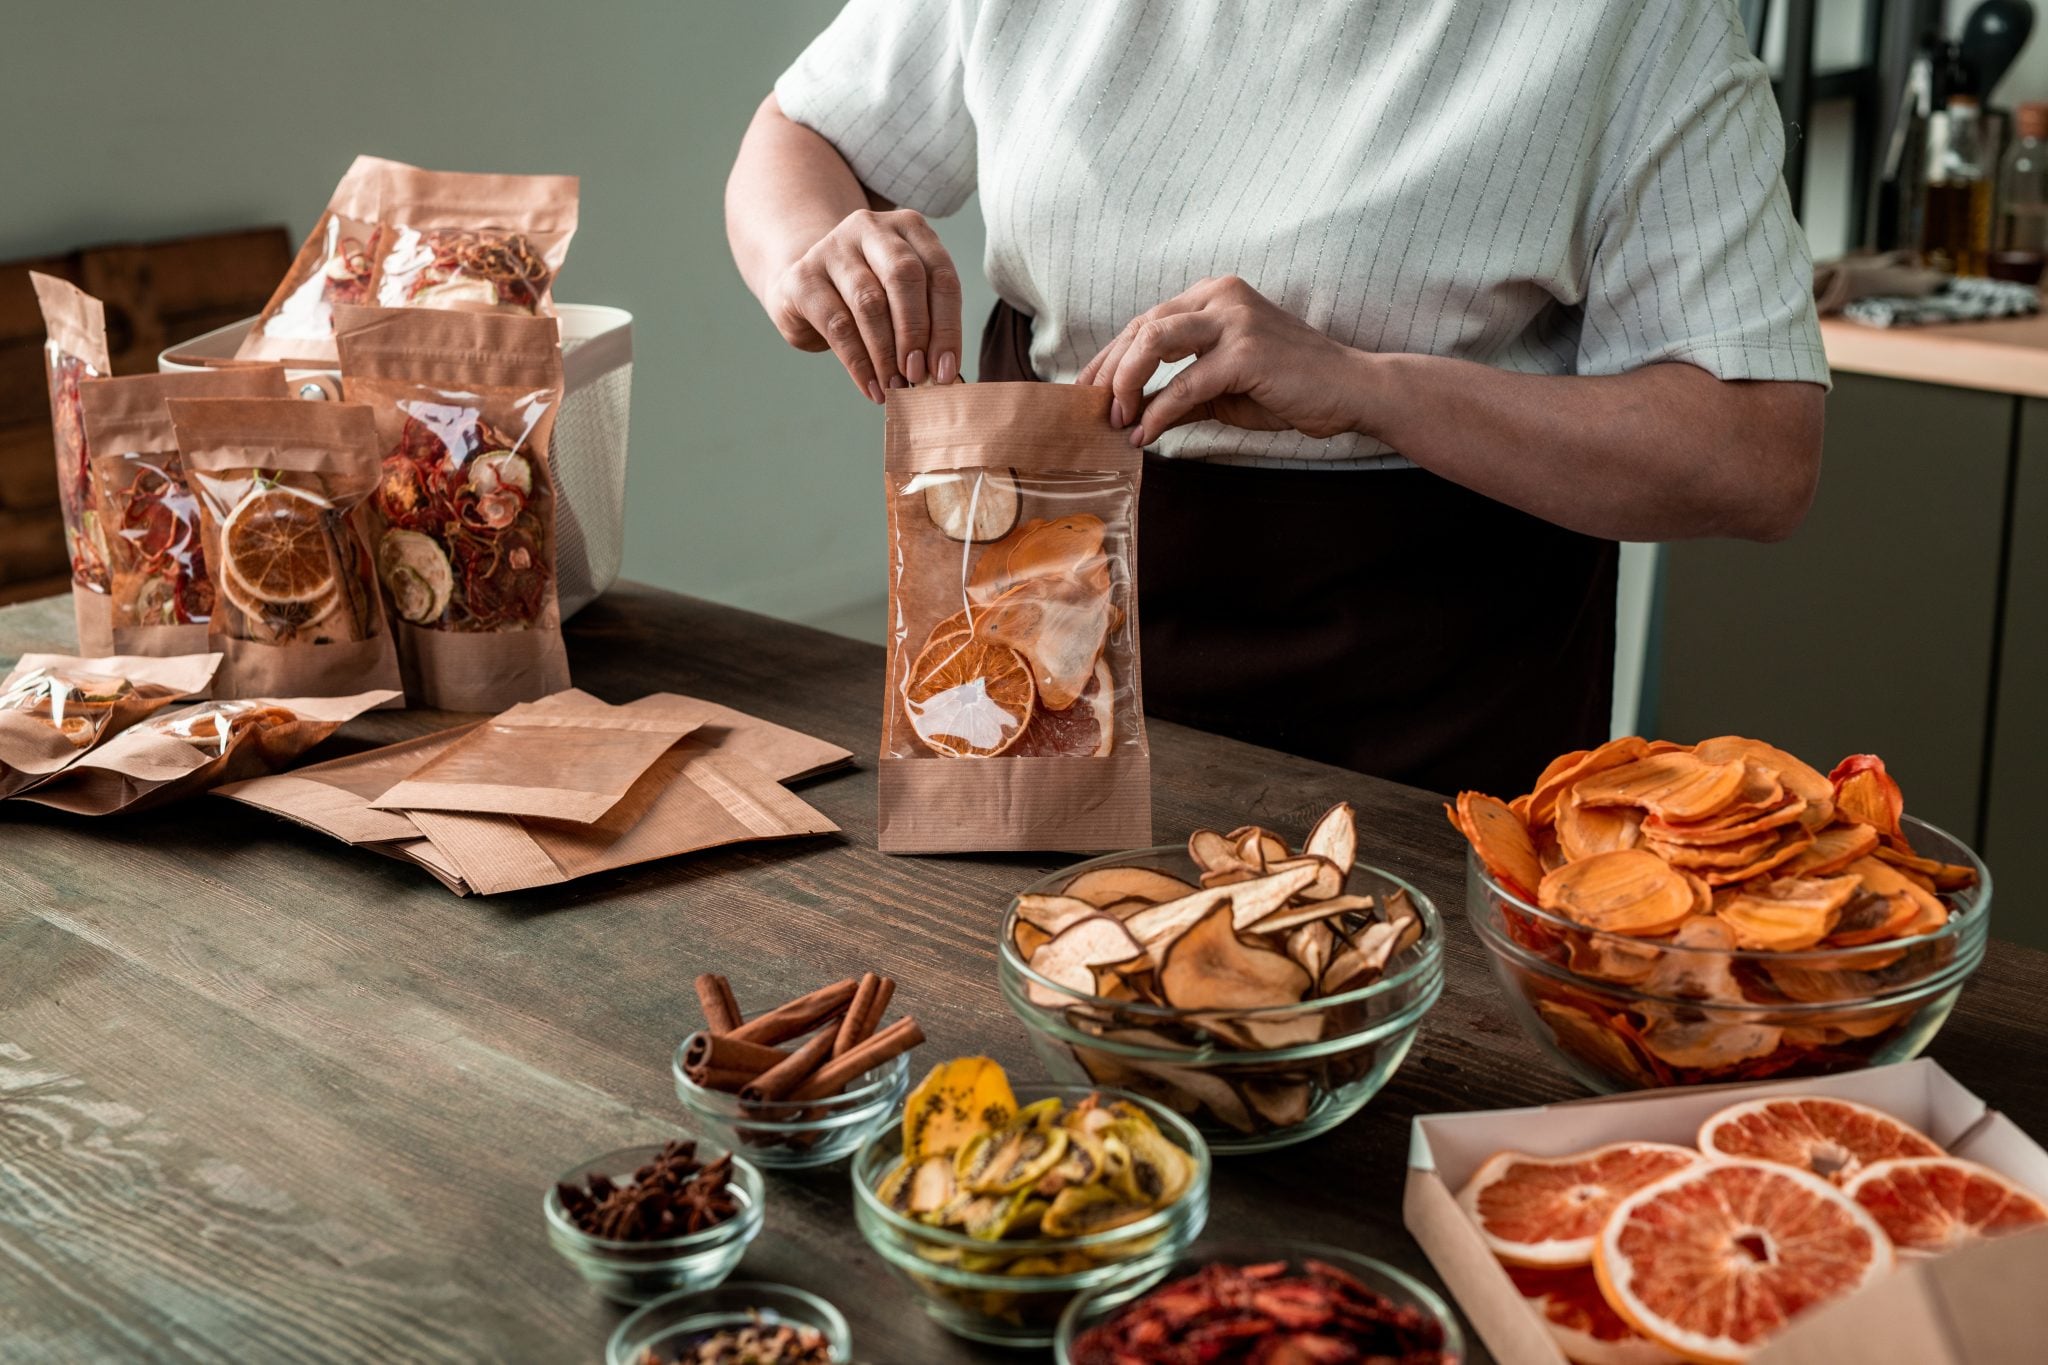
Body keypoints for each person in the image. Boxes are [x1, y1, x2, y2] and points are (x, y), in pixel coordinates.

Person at [725, 0, 1827, 795]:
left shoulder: (1641, 26)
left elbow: (1756, 456)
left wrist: (1369, 388)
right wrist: (812, 255)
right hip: (1031, 612)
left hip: (1424, 680)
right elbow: (803, 132)